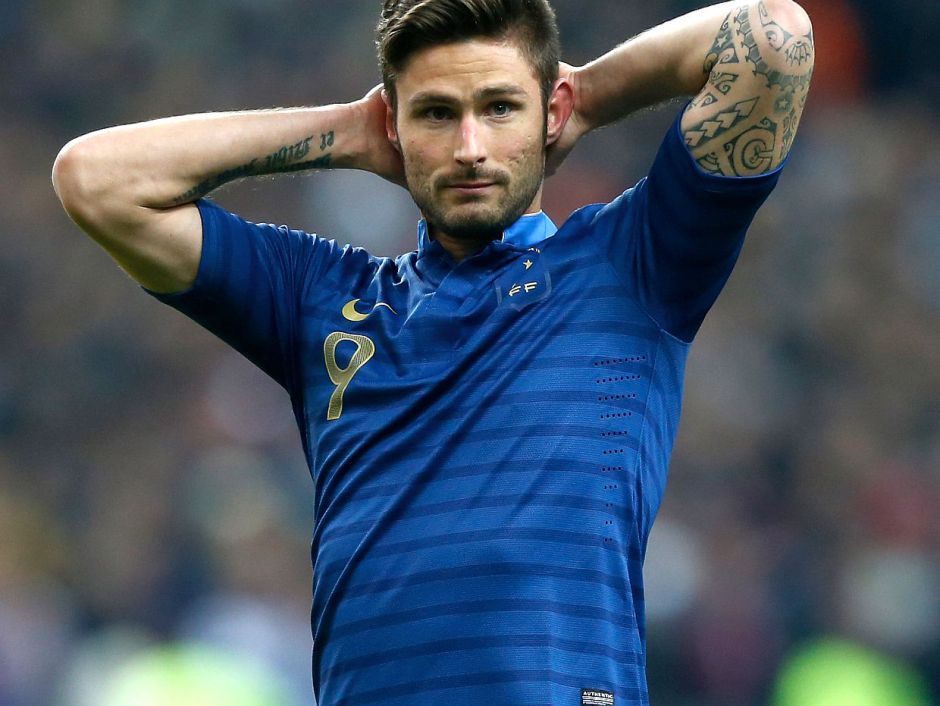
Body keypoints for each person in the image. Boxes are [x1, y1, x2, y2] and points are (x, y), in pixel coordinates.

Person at [51, 0, 814, 703]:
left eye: (500, 107)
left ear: (550, 112)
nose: (470, 148)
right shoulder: (320, 299)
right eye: (437, 114)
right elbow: (96, 180)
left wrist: (584, 98)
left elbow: (775, 38)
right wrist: (350, 131)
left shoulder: (629, 266)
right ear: (396, 126)